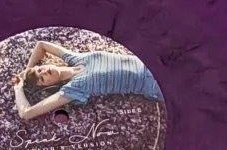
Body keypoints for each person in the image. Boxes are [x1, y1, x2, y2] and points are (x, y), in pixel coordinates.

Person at [10, 38, 163, 121]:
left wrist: (27, 71)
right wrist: (19, 87)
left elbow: (41, 45)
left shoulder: (75, 58)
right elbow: (26, 113)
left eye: (39, 70)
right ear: (47, 86)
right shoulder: (72, 89)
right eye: (42, 79)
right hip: (154, 84)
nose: (44, 72)